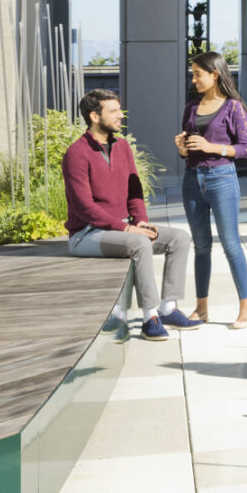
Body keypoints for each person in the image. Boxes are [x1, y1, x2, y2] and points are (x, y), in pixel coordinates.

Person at [63, 89, 199, 342]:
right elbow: (84, 207)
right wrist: (128, 230)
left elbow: (134, 191)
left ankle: (168, 308)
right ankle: (150, 317)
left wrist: (141, 220)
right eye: (113, 111)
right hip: (88, 234)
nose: (120, 116)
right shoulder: (76, 154)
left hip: (121, 228)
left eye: (119, 110)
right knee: (139, 243)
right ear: (94, 116)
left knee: (179, 238)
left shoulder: (123, 147)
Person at [175, 51, 247, 329]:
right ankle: (201, 308)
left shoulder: (234, 107)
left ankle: (245, 310)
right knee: (201, 247)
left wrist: (213, 148)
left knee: (231, 244)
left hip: (221, 179)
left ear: (215, 74)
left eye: (198, 74)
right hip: (192, 180)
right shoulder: (191, 108)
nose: (193, 79)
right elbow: (188, 150)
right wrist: (183, 150)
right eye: (192, 74)